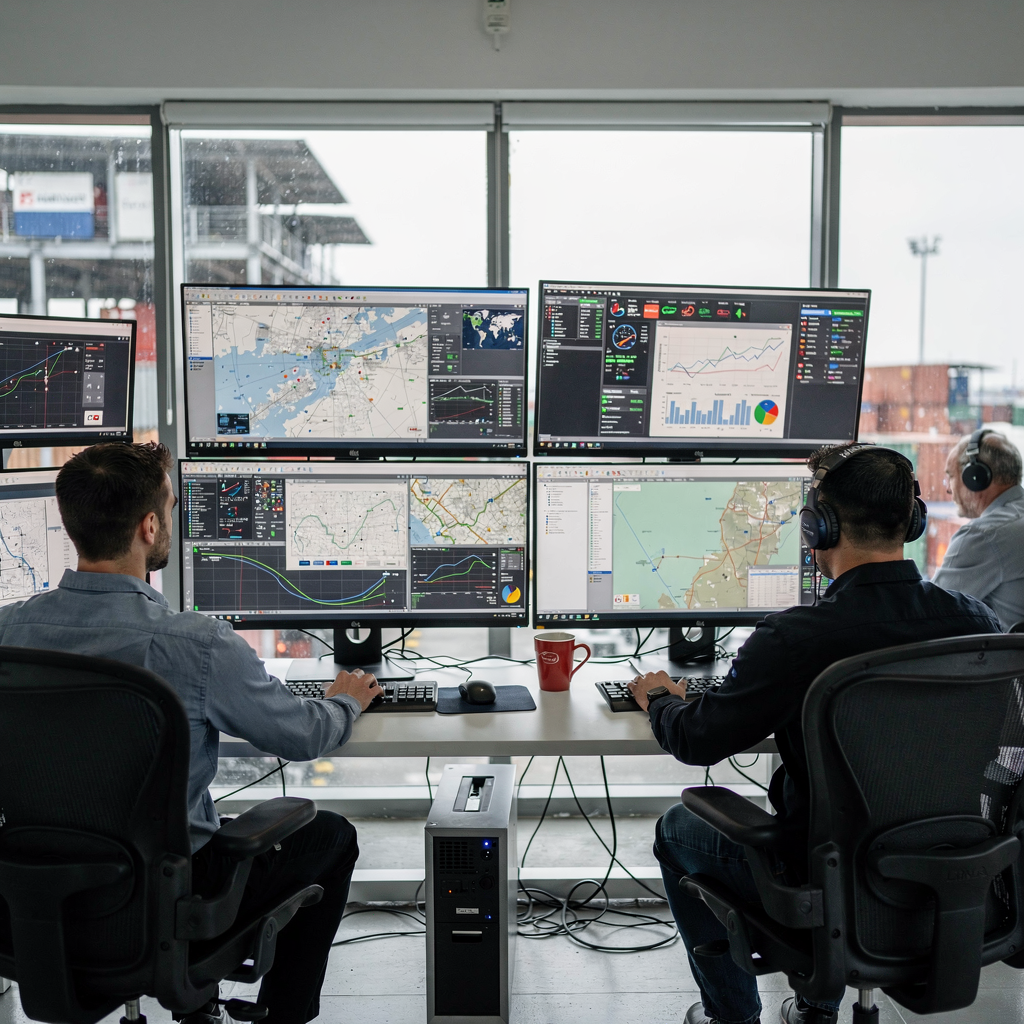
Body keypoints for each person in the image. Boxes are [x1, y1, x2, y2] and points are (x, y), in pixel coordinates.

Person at [0, 441, 382, 1024]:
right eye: (174, 508)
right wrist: (344, 703)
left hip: (34, 897)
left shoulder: (7, 630)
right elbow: (302, 737)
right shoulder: (196, 644)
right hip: (170, 899)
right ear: (150, 526)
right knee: (328, 836)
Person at [628, 443, 1002, 1024]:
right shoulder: (977, 625)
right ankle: (816, 1008)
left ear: (816, 527)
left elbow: (697, 742)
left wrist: (656, 700)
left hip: (823, 885)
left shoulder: (795, 639)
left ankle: (732, 1016)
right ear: (913, 522)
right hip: (951, 879)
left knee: (679, 828)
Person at [931, 428, 1024, 630]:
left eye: (951, 476)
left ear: (975, 476)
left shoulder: (986, 535)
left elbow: (928, 613)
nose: (948, 488)